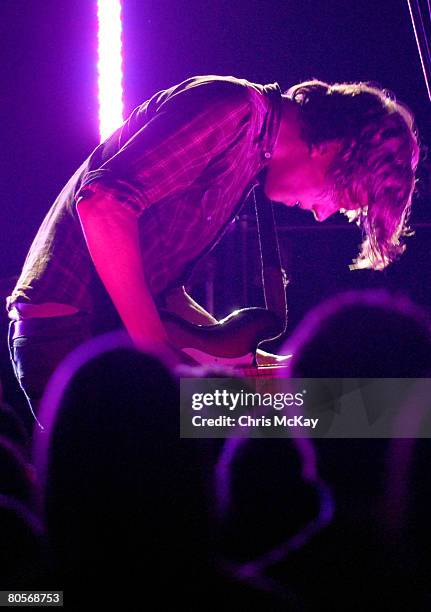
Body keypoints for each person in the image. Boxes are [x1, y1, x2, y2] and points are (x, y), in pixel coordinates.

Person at [6, 75, 419, 417]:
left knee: (337, 408)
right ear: (331, 148)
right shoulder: (235, 112)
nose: (322, 214)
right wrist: (162, 363)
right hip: (71, 337)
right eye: (340, 195)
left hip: (102, 336)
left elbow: (161, 286)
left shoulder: (253, 154)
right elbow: (103, 206)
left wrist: (236, 359)